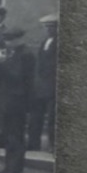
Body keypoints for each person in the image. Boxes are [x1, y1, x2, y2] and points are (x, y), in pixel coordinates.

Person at [0, 26, 35, 173]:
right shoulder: (14, 53)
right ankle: (9, 168)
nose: (8, 43)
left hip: (17, 101)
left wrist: (2, 64)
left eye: (10, 40)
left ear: (19, 39)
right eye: (6, 39)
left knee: (15, 136)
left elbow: (17, 77)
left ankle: (14, 171)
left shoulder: (25, 54)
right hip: (8, 100)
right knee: (9, 135)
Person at [29, 14, 58, 153]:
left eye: (51, 27)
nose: (48, 30)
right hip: (41, 85)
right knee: (36, 115)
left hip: (53, 85)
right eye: (46, 27)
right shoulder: (45, 41)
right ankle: (33, 142)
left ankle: (53, 144)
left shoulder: (59, 42)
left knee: (53, 116)